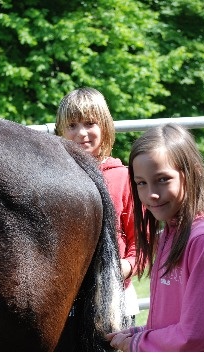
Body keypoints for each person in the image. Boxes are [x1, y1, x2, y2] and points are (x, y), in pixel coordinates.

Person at [106, 123, 204, 352]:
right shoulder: (169, 235)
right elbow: (174, 323)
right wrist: (140, 332)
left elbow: (198, 335)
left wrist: (139, 344)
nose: (152, 194)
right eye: (142, 183)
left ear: (192, 173)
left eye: (163, 179)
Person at [55, 87, 139, 323]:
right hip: (63, 304)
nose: (81, 133)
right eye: (72, 125)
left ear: (105, 126)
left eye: (90, 123)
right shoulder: (53, 180)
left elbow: (140, 242)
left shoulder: (124, 178)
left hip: (115, 300)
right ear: (61, 130)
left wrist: (123, 268)